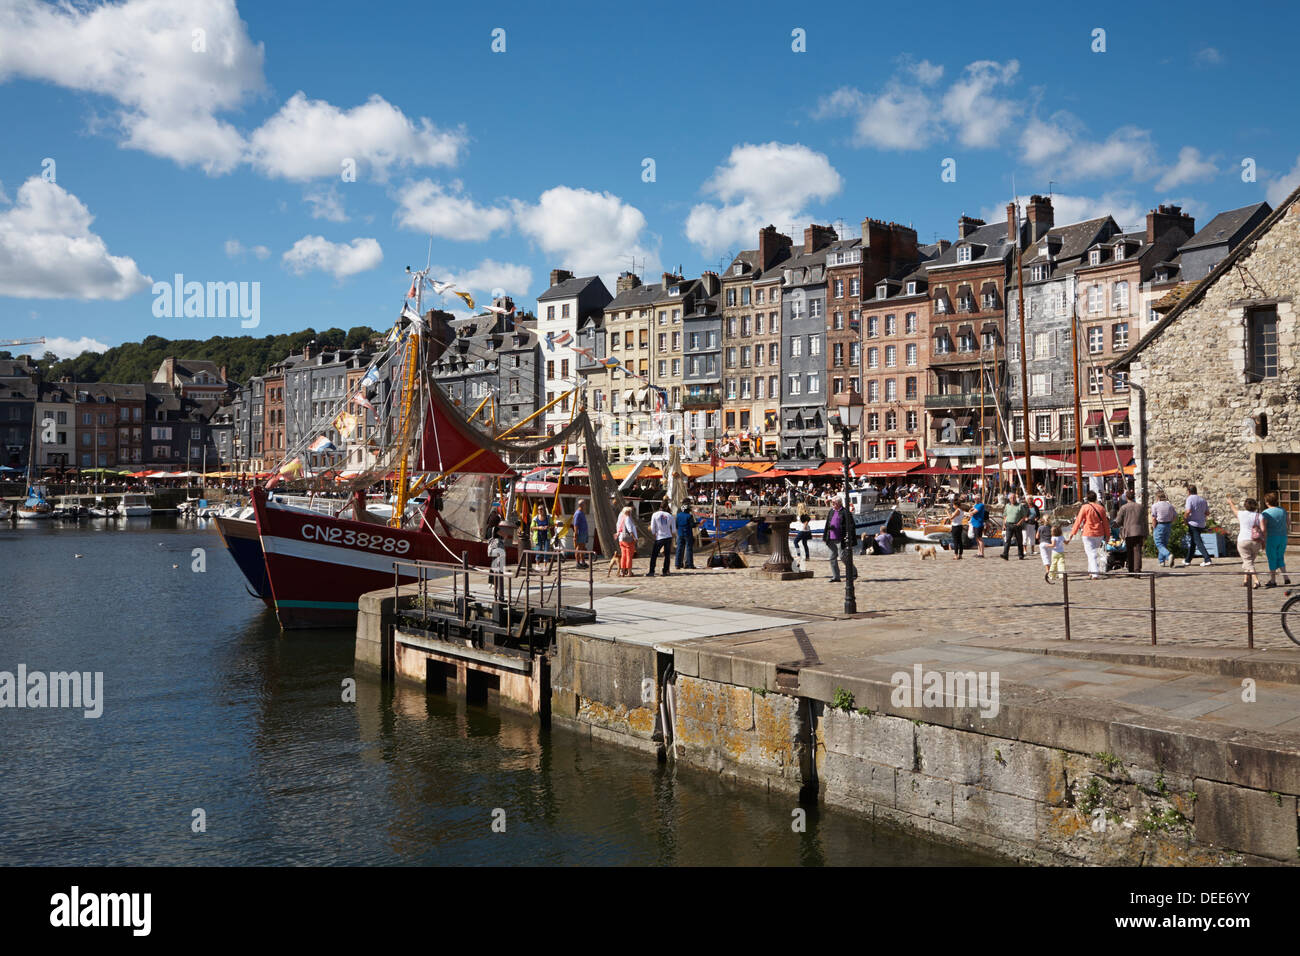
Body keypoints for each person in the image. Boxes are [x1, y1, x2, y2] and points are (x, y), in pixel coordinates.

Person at [1066, 490, 1110, 580]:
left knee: (1091, 554)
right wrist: (1108, 535)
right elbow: (1105, 523)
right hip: (1099, 533)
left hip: (1088, 533)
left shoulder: (1085, 507)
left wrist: (1072, 533)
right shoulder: (1101, 508)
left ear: (1087, 498)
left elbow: (1078, 520)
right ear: (1096, 498)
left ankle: (1095, 574)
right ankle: (1091, 571)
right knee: (1093, 553)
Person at [1225, 493, 1264, 589]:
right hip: (1256, 541)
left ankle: (1256, 580)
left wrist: (1230, 502)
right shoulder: (1259, 516)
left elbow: (1234, 509)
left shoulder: (1241, 514)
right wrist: (1263, 542)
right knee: (1249, 562)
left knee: (1248, 562)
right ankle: (1246, 580)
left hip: (1243, 540)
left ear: (1245, 506)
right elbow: (1263, 530)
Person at [1261, 491, 1291, 588]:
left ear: (1267, 502)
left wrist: (1263, 540)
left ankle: (1273, 580)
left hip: (1271, 537)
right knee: (1280, 556)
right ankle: (1285, 577)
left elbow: (1264, 528)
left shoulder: (1265, 513)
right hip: (1282, 537)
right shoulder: (1283, 510)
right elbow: (1288, 523)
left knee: (1272, 558)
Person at [1115, 491, 1147, 573]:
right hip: (1139, 531)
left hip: (1129, 532)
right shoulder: (1140, 507)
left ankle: (1131, 569)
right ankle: (1137, 569)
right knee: (1137, 551)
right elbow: (1144, 520)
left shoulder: (1124, 508)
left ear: (1126, 498)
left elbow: (1118, 521)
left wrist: (1115, 525)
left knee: (1129, 551)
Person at [1181, 484, 1213, 567]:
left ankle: (1207, 559)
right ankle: (1188, 560)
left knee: (1198, 542)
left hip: (1193, 523)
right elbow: (1207, 513)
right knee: (1193, 542)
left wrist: (1184, 519)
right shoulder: (1202, 500)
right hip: (1201, 523)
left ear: (1188, 491)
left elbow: (1188, 511)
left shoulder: (1189, 499)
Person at [824, 496, 853, 582]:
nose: (832, 504)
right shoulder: (831, 511)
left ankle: (853, 571)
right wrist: (825, 536)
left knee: (842, 556)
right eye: (832, 503)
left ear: (839, 503)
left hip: (840, 537)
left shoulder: (845, 512)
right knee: (832, 557)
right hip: (831, 537)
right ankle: (836, 577)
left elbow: (850, 525)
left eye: (834, 503)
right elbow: (827, 524)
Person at [1149, 491, 1177, 568]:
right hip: (1168, 525)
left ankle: (1168, 555)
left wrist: (1154, 526)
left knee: (1159, 543)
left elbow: (1154, 518)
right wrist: (1171, 522)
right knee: (1164, 543)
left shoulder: (1155, 506)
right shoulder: (1169, 505)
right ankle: (1161, 561)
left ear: (1157, 497)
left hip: (1159, 525)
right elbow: (1175, 516)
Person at [648, 499, 674, 577]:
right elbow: (674, 530)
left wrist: (654, 533)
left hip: (659, 536)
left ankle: (652, 571)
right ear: (667, 507)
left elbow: (652, 527)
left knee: (654, 555)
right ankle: (665, 570)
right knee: (667, 555)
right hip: (668, 536)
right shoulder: (670, 516)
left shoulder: (655, 515)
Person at [1001, 492, 1026, 560]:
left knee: (1019, 541)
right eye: (1011, 498)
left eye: (1014, 498)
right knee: (1007, 540)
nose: (1013, 499)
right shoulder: (1007, 506)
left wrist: (1019, 523)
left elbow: (1024, 516)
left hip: (1017, 525)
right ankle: (1005, 554)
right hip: (1009, 524)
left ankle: (1021, 555)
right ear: (1009, 499)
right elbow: (1005, 515)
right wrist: (1004, 524)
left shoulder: (1020, 506)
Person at [486, 524, 507, 602]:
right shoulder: (496, 528)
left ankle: (490, 583)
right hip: (498, 549)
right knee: (498, 566)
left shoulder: (488, 528)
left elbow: (487, 538)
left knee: (493, 565)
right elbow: (505, 535)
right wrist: (503, 540)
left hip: (492, 549)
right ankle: (496, 585)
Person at [616, 505, 638, 577]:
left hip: (621, 539)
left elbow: (618, 526)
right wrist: (634, 537)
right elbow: (629, 529)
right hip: (628, 540)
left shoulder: (621, 517)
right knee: (629, 556)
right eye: (630, 511)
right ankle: (629, 572)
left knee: (623, 556)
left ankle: (622, 572)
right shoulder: (628, 518)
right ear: (628, 512)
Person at [674, 505, 697, 569]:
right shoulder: (689, 516)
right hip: (688, 534)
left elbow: (676, 525)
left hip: (680, 534)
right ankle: (689, 564)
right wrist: (698, 523)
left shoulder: (678, 515)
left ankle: (678, 564)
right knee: (688, 549)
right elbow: (692, 525)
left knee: (679, 549)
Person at [572, 500, 590, 569]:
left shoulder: (582, 513)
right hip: (580, 533)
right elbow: (576, 525)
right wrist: (575, 534)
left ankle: (583, 562)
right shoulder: (578, 513)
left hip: (584, 532)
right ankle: (577, 563)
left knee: (582, 548)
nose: (585, 506)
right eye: (584, 504)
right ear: (581, 505)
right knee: (578, 548)